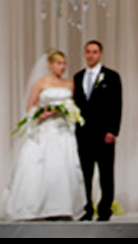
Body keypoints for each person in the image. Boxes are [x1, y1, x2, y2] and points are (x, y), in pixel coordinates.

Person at [5, 50, 86, 221]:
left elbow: (75, 106)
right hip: (46, 129)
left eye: (64, 63)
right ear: (50, 64)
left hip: (63, 130)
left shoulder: (69, 84)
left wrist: (69, 113)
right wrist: (40, 114)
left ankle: (62, 206)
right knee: (41, 165)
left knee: (63, 166)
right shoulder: (41, 83)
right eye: (58, 63)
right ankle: (35, 206)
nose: (62, 67)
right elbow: (30, 106)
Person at [73, 40, 122, 221]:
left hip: (104, 134)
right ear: (85, 54)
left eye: (94, 52)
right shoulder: (78, 77)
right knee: (85, 173)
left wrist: (113, 131)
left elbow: (117, 105)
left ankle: (105, 208)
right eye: (88, 52)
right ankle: (86, 208)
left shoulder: (111, 76)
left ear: (100, 53)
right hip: (84, 134)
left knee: (106, 173)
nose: (91, 55)